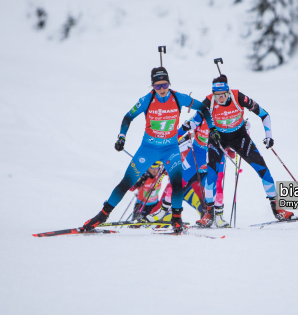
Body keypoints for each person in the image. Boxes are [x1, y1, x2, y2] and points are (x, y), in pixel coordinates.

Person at [81, 67, 220, 233]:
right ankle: (102, 216)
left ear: (169, 84)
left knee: (176, 184)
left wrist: (212, 129)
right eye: (157, 86)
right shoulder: (147, 99)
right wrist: (121, 137)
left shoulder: (178, 97)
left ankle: (176, 219)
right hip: (148, 149)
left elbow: (204, 109)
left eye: (165, 85)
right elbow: (128, 117)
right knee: (126, 182)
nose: (162, 89)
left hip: (170, 149)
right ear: (152, 86)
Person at [197, 74, 294, 227]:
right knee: (211, 176)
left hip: (239, 137)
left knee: (263, 169)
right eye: (217, 96)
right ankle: (209, 213)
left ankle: (277, 209)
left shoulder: (238, 97)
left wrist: (269, 136)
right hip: (217, 139)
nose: (221, 98)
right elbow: (196, 119)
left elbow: (264, 114)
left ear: (228, 92)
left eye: (223, 94)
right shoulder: (208, 101)